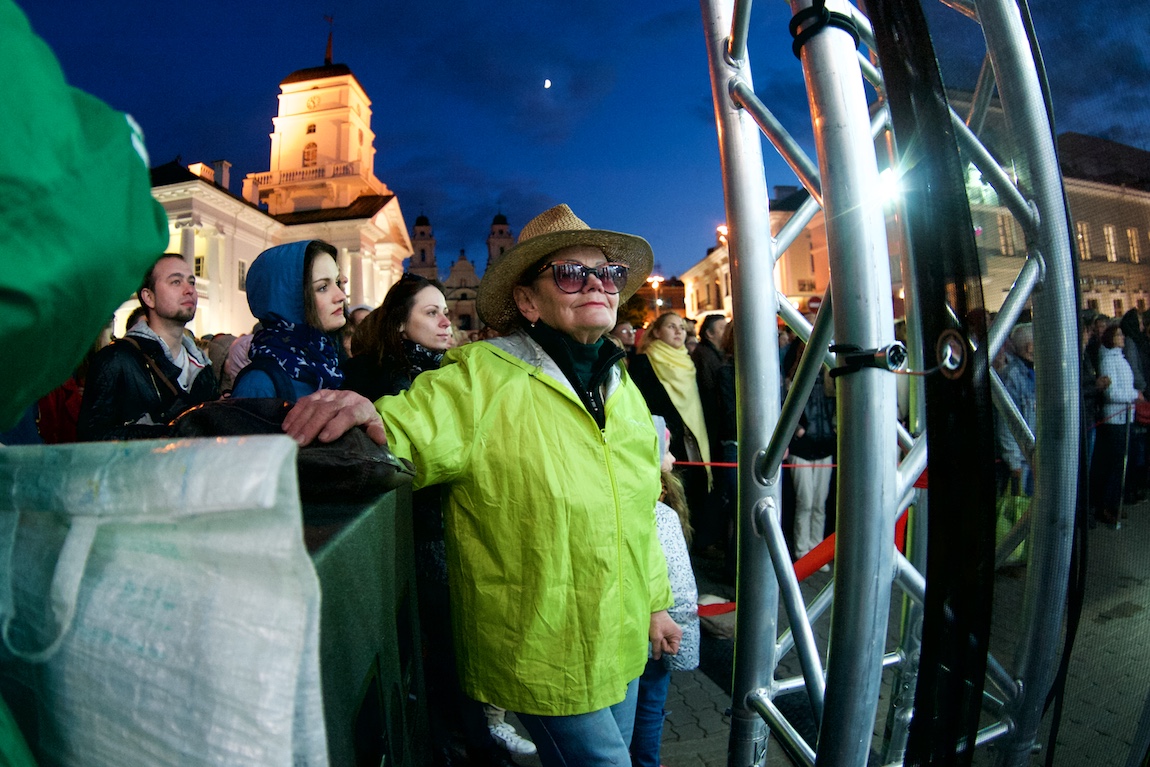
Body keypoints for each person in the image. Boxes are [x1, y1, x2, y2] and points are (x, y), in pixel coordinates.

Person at [278, 203, 681, 765]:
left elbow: (641, 511)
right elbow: (403, 429)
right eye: (570, 272)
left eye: (608, 272)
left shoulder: (624, 389)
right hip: (545, 645)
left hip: (623, 631)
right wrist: (362, 411)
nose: (597, 283)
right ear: (526, 301)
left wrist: (657, 606)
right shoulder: (480, 375)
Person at [342, 274, 535, 762]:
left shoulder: (446, 370)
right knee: (444, 662)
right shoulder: (386, 381)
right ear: (400, 324)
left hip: (453, 535)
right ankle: (464, 746)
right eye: (431, 311)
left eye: (446, 309)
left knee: (461, 657)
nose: (446, 318)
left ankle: (475, 735)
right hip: (424, 541)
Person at [77, 254, 218, 441]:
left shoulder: (203, 367)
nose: (189, 290)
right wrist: (166, 433)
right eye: (176, 282)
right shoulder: (116, 359)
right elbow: (92, 440)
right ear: (149, 297)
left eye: (191, 282)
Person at [631, 417, 699, 767]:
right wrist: (684, 654)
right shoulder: (661, 515)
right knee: (649, 711)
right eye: (667, 450)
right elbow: (683, 592)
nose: (672, 461)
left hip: (621, 639)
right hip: (655, 645)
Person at [629, 311, 714, 553]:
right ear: (656, 331)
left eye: (681, 327)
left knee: (697, 494)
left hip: (695, 442)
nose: (679, 331)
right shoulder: (644, 361)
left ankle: (697, 543)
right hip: (668, 444)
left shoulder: (689, 361)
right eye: (671, 327)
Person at [230, 240, 347, 402]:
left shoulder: (327, 366)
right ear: (288, 300)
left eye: (337, 282)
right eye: (322, 287)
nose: (341, 296)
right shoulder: (259, 384)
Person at [341, 275, 452, 401]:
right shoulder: (366, 374)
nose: (446, 322)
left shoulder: (452, 369)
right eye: (432, 312)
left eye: (445, 313)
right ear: (400, 322)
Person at [1092, 324, 1141, 526]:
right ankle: (1106, 505)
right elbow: (1111, 393)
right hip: (1114, 419)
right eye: (1118, 334)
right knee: (1114, 464)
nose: (1122, 337)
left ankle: (1115, 504)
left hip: (1126, 417)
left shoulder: (1120, 358)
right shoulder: (1107, 361)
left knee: (1123, 464)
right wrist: (1133, 396)